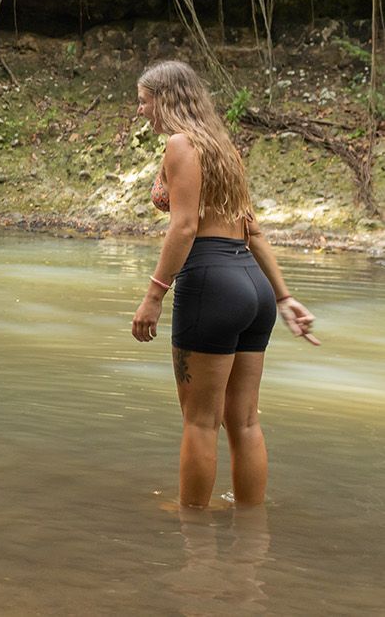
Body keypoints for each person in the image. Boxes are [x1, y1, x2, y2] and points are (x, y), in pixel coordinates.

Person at [131, 59, 319, 509]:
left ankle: (192, 535)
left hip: (212, 286)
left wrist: (154, 294)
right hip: (252, 289)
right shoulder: (222, 148)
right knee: (245, 421)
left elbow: (184, 227)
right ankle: (251, 534)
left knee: (199, 421)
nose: (140, 111)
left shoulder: (180, 145)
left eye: (143, 101)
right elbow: (252, 230)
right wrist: (285, 297)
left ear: (165, 98)